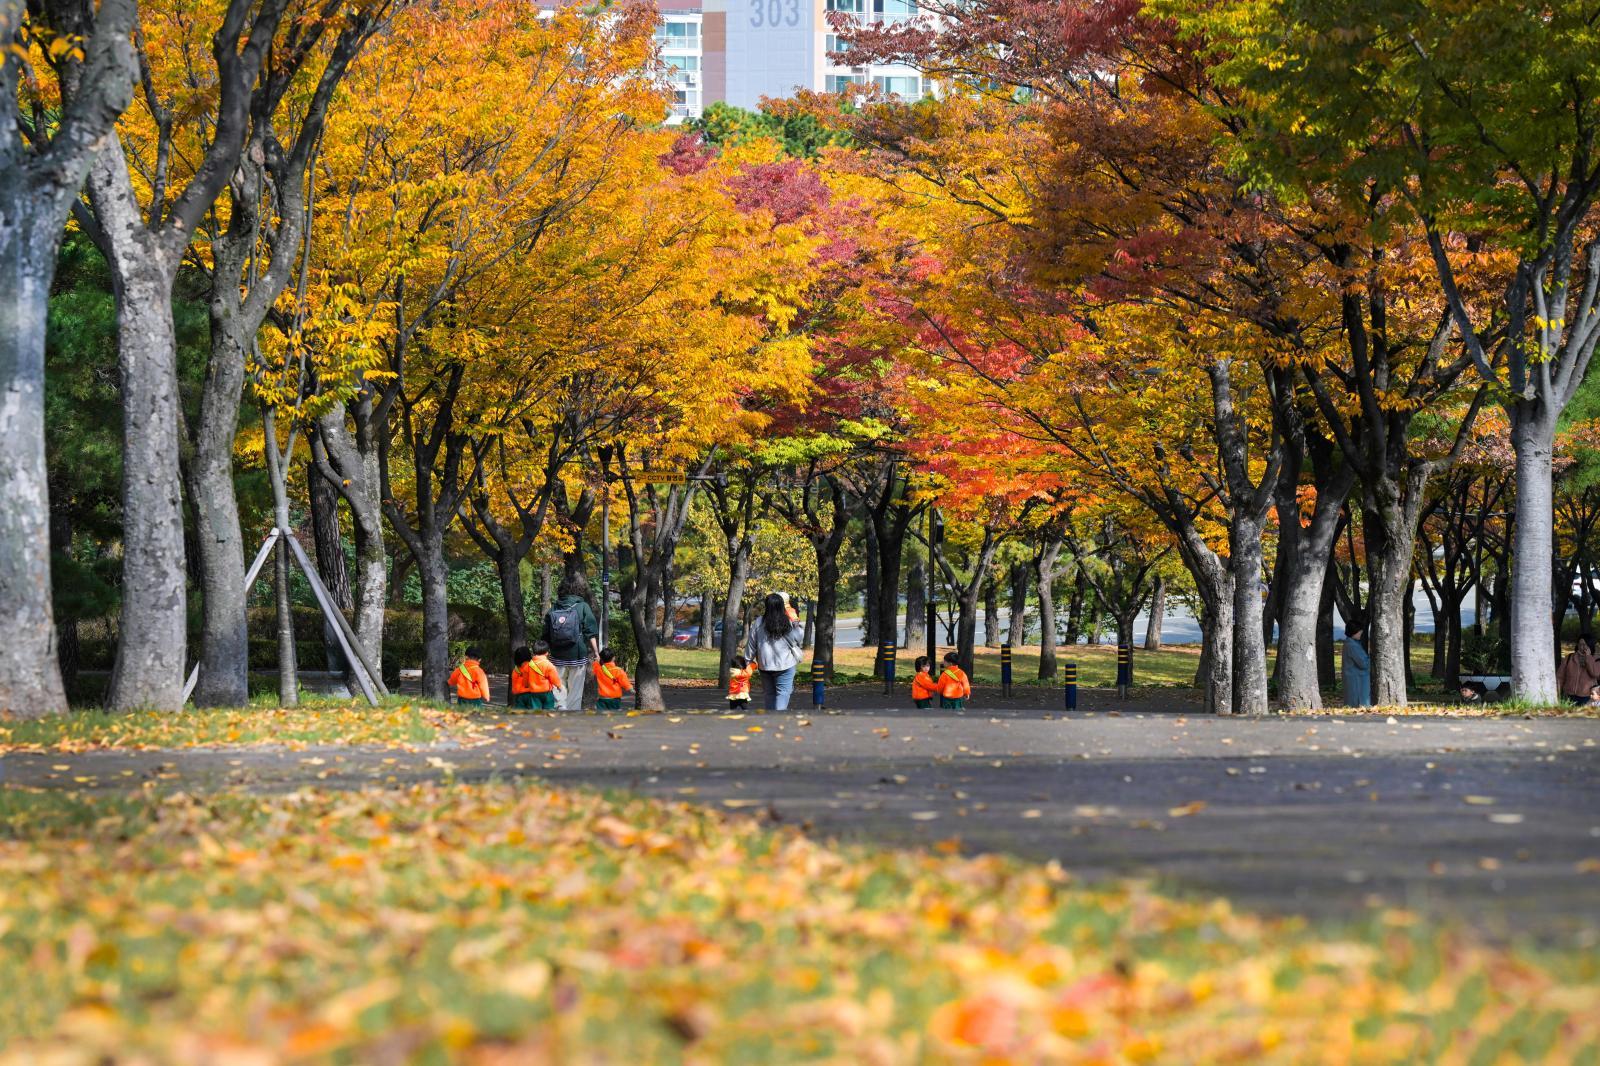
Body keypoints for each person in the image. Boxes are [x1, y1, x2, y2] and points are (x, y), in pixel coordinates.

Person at [542, 573, 600, 711]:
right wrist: (596, 652)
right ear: (580, 589)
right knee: (576, 689)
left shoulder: (555, 607)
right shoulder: (583, 606)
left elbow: (546, 632)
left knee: (558, 685)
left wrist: (544, 651)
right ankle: (573, 714)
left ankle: (560, 710)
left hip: (557, 654)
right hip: (578, 654)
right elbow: (590, 631)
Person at [746, 592, 804, 711]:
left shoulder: (759, 622)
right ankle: (778, 719)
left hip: (765, 665)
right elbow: (798, 637)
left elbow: (751, 644)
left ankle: (770, 719)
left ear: (767, 606)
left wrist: (748, 661)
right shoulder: (788, 621)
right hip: (785, 664)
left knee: (769, 695)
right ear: (782, 605)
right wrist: (797, 625)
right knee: (783, 693)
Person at [510, 642, 562, 711]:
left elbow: (522, 681)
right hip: (543, 693)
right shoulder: (546, 665)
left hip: (529, 694)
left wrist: (526, 685)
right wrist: (558, 685)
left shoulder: (518, 669)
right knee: (548, 709)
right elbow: (554, 677)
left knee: (532, 712)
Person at [1556, 633, 1600, 705]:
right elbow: (1560, 677)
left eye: (1584, 644)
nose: (1581, 647)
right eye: (1580, 644)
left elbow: (1595, 673)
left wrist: (1588, 657)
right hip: (1568, 696)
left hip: (1588, 697)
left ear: (1590, 645)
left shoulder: (1596, 659)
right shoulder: (1569, 658)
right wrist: (1557, 693)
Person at [1341, 621, 1371, 708]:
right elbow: (1363, 663)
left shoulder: (1350, 643)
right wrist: (1371, 657)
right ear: (1353, 632)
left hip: (1353, 677)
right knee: (1359, 705)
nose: (1360, 634)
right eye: (1359, 633)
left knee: (1352, 703)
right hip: (1357, 679)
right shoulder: (1352, 645)